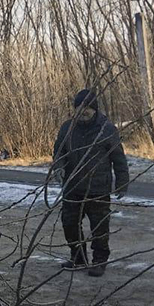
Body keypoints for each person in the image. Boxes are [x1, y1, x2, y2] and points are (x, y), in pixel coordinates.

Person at [52, 89, 129, 277]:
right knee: (69, 224)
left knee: (99, 227)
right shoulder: (67, 128)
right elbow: (59, 152)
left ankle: (99, 261)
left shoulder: (107, 129)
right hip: (72, 187)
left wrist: (122, 182)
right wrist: (58, 167)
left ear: (94, 109)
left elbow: (118, 158)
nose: (83, 112)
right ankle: (78, 258)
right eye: (79, 108)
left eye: (87, 108)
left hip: (98, 189)